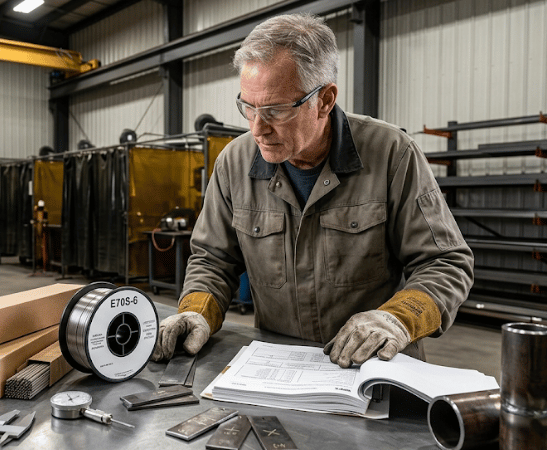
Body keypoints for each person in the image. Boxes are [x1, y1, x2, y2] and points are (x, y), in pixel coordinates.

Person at [150, 13, 473, 369]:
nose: (258, 128)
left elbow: (445, 262)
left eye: (274, 110)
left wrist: (398, 318)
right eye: (248, 107)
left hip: (374, 369)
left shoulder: (392, 154)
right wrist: (197, 312)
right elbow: (213, 260)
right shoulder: (234, 164)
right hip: (278, 368)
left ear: (324, 100)